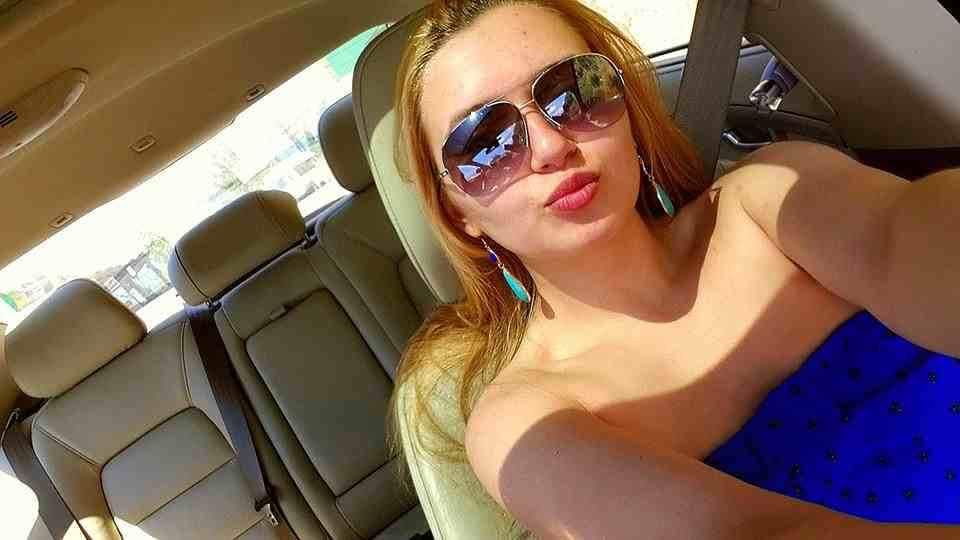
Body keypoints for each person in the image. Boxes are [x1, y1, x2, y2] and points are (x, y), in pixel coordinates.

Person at [389, 0, 960, 537]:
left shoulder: (766, 199)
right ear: (459, 214)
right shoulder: (525, 419)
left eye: (574, 91)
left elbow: (910, 236)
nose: (549, 146)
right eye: (483, 145)